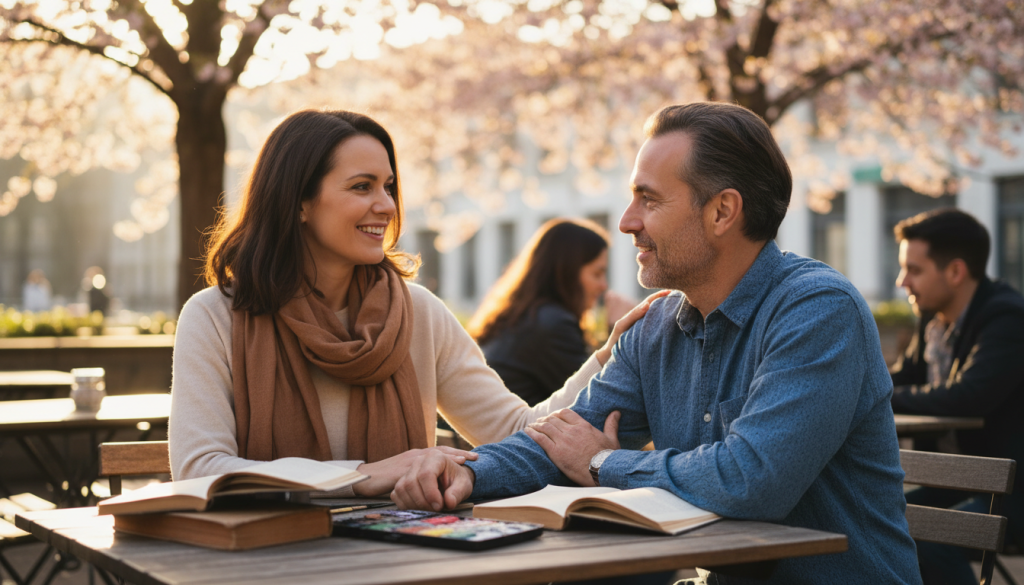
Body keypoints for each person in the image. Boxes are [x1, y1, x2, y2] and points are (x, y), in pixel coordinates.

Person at [392, 102, 921, 584]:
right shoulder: (659, 323)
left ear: (722, 212)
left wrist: (603, 465)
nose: (627, 222)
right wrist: (464, 472)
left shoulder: (818, 311)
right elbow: (564, 438)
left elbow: (752, 482)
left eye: (648, 199)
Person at [168, 109, 657, 498]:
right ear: (298, 201)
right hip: (264, 563)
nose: (386, 205)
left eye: (389, 187)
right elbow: (199, 468)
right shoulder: (215, 317)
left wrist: (608, 357)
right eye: (362, 187)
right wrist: (364, 475)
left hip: (406, 553)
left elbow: (514, 429)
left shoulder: (417, 314)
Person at [890, 208, 1024, 584]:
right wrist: (860, 386)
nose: (903, 282)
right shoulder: (934, 318)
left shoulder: (1008, 318)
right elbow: (905, 378)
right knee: (873, 519)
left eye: (914, 270)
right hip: (955, 481)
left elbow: (968, 396)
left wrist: (880, 395)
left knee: (928, 540)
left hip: (1010, 492)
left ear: (955, 271)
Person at [468, 218, 616, 405]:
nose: (604, 285)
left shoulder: (523, 316)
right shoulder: (552, 325)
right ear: (567, 272)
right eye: (597, 273)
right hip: (514, 433)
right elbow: (600, 399)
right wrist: (619, 334)